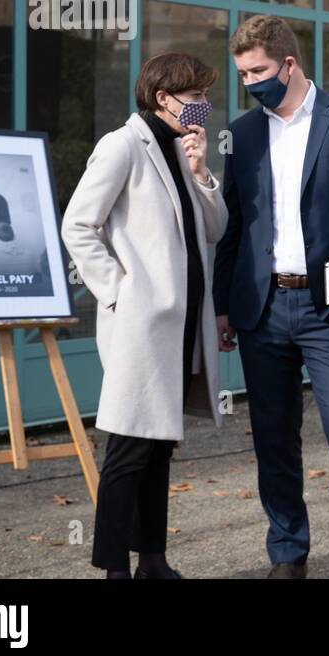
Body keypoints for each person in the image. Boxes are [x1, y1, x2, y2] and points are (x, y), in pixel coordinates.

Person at [213, 14, 329, 579]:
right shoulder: (240, 134)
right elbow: (234, 224)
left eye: (259, 70)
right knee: (273, 436)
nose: (250, 82)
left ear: (288, 64)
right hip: (262, 309)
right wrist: (222, 304)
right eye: (242, 74)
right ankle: (288, 553)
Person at [61, 52, 228, 579]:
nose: (203, 106)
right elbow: (77, 226)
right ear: (163, 98)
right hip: (142, 327)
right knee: (128, 450)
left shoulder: (183, 149)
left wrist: (202, 175)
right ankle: (114, 570)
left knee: (159, 446)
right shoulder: (121, 145)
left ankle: (152, 560)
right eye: (195, 97)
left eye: (205, 96)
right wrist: (119, 293)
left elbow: (215, 229)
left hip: (181, 327)